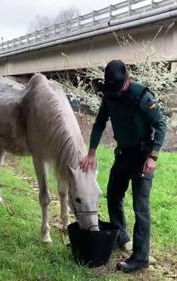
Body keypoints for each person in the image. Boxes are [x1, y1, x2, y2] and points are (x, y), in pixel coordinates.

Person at [80, 60, 166, 273]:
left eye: (119, 88)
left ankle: (140, 257)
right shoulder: (109, 94)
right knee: (113, 195)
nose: (116, 92)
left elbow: (161, 125)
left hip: (142, 156)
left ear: (127, 80)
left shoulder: (141, 95)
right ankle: (121, 236)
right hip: (123, 155)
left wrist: (153, 156)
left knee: (141, 207)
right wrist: (91, 151)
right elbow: (100, 123)